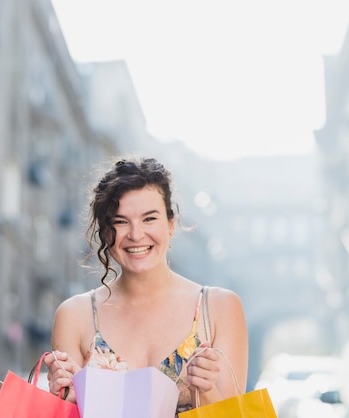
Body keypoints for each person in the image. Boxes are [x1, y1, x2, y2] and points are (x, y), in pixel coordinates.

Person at [44, 156, 248, 415]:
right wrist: (68, 400)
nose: (136, 234)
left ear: (171, 225)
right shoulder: (74, 315)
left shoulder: (218, 307)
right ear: (106, 232)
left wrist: (206, 391)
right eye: (120, 221)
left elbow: (232, 415)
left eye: (149, 219)